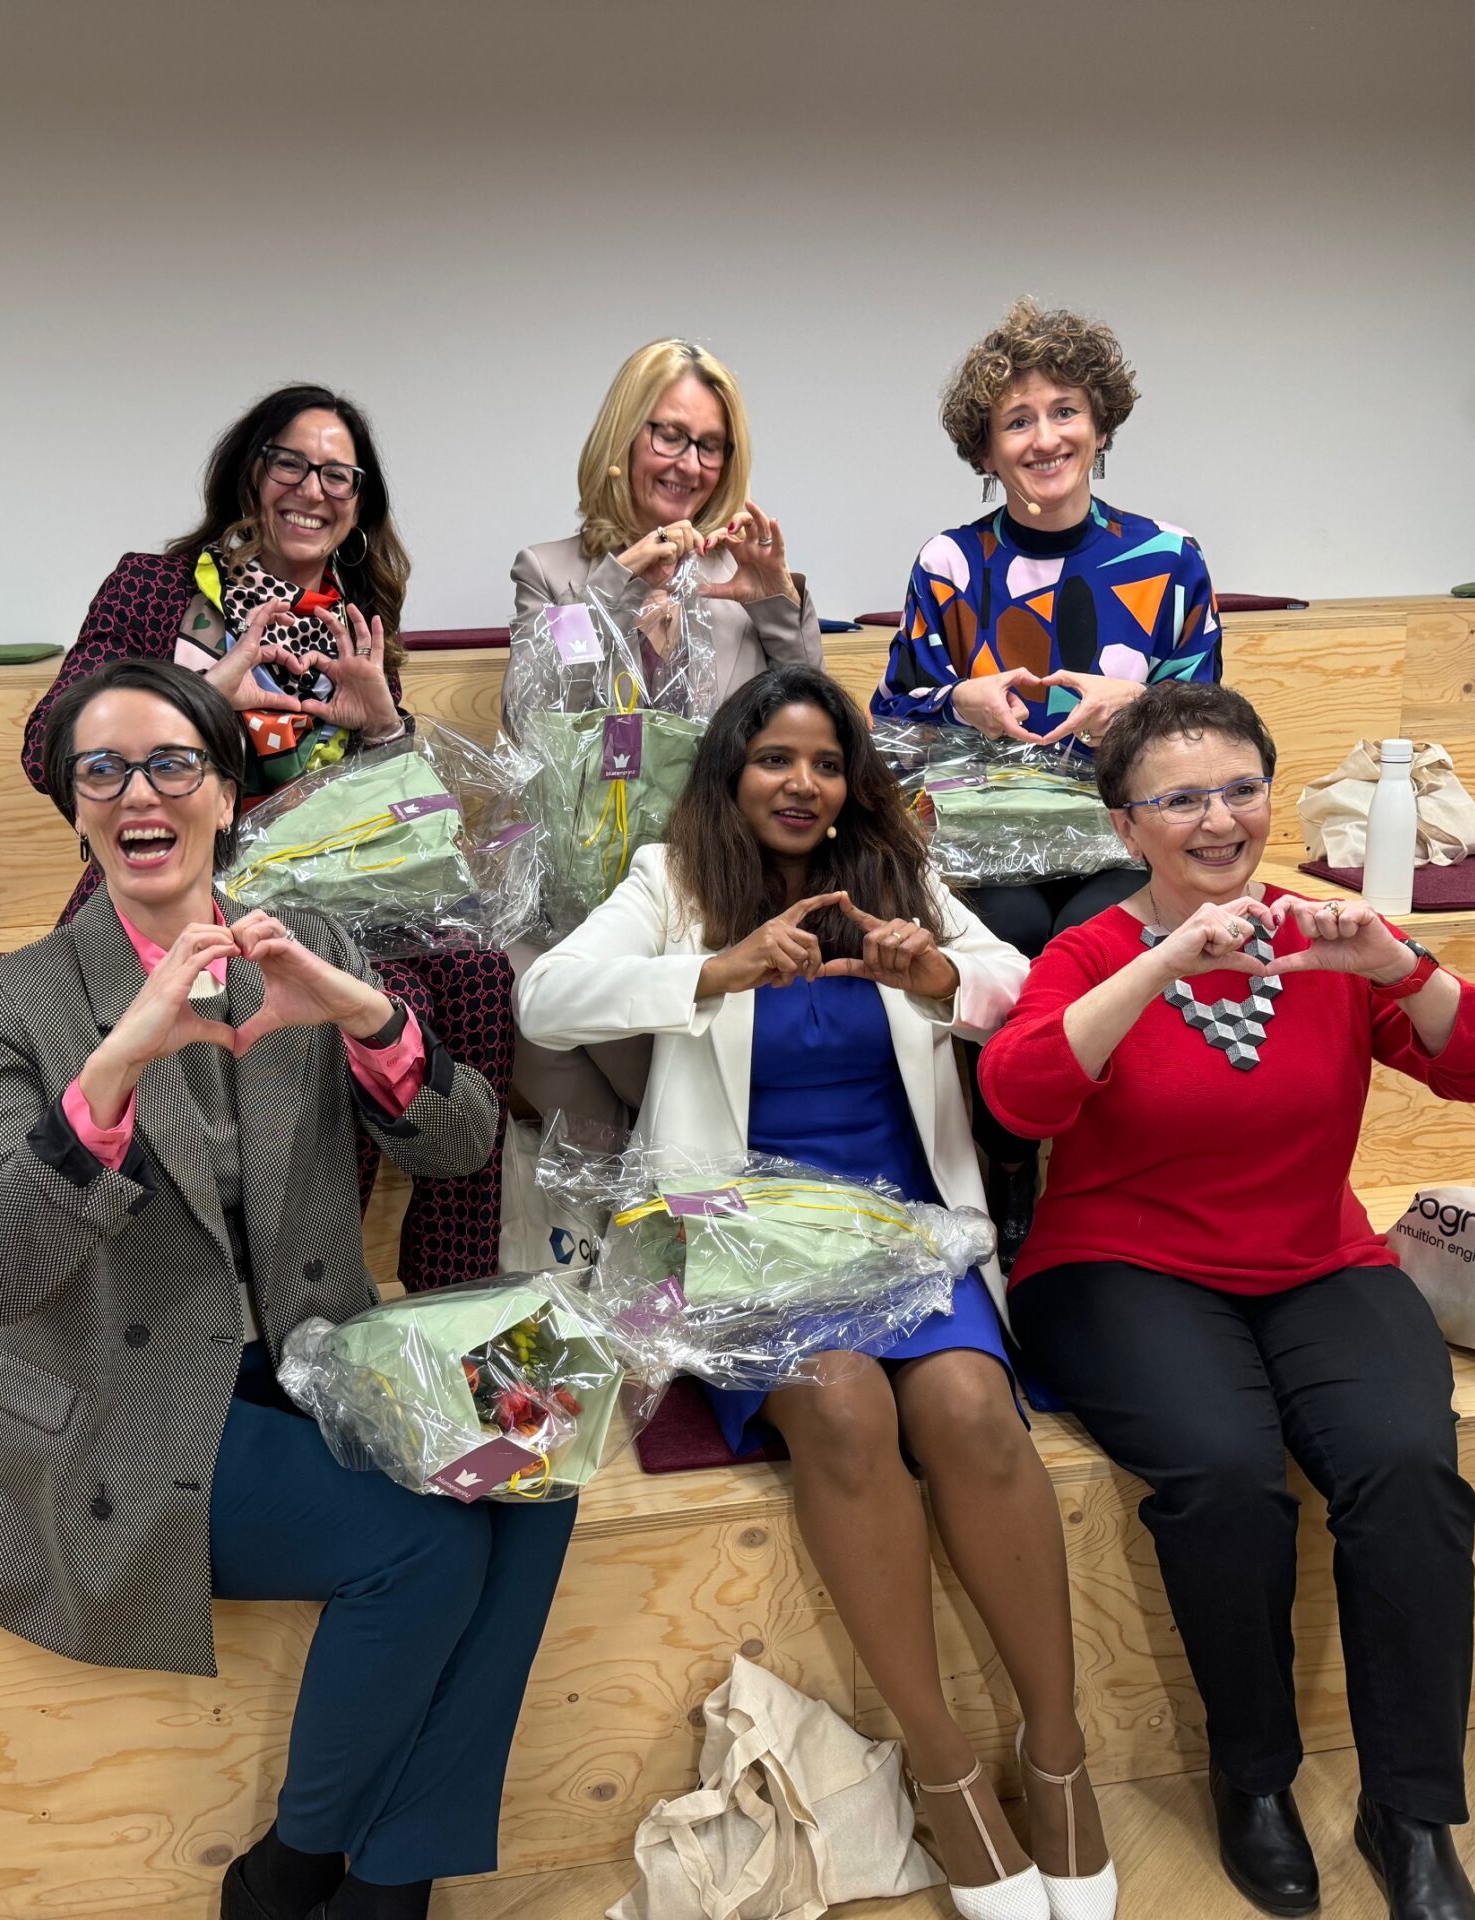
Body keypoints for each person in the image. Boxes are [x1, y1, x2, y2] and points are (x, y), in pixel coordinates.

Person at [0, 658, 557, 1920]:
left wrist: (372, 1020)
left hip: (316, 1364)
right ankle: (303, 1869)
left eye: (173, 763)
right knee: (421, 1543)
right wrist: (113, 1067)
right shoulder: (16, 1000)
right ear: (73, 808)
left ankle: (381, 1872)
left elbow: (459, 1143)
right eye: (100, 771)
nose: (137, 793)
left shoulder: (308, 941)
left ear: (225, 791)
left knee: (542, 1472)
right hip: (132, 1405)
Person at [519, 664, 1115, 1920]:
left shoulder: (900, 880)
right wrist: (715, 972)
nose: (801, 784)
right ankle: (944, 1772)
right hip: (748, 1241)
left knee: (963, 1409)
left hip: (911, 1234)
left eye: (826, 764)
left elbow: (1025, 988)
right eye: (774, 759)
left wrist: (941, 979)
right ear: (731, 772)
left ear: (855, 785)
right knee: (843, 1411)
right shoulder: (674, 887)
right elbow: (546, 999)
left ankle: (1054, 1752)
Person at [979, 681, 1475, 1920]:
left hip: (1315, 1259)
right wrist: (1164, 958)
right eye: (1178, 798)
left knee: (1405, 1466)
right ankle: (1254, 1779)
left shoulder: (1321, 940)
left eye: (1238, 788)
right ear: (1126, 826)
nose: (1216, 819)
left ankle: (1410, 1813)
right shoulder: (1087, 951)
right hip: (1117, 1265)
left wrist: (1397, 960)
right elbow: (1020, 1097)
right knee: (1224, 1474)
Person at [20, 384, 514, 1290]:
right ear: (250, 474)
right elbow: (45, 746)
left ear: (359, 504)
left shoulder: (351, 610)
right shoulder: (156, 587)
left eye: (338, 474)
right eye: (291, 463)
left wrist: (382, 732)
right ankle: (304, 1297)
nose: (312, 489)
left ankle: (454, 1293)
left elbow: (390, 815)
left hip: (337, 895)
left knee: (479, 972)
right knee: (357, 1002)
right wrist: (201, 703)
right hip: (181, 893)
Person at [870, 297, 1225, 1258]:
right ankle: (1008, 1159)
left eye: (1064, 411)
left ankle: (1102, 1174)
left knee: (1096, 937)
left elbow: (1211, 728)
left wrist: (1135, 703)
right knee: (1017, 940)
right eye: (1016, 421)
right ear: (985, 450)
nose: (1043, 438)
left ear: (1100, 425)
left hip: (1124, 830)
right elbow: (886, 716)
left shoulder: (1168, 557)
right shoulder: (951, 561)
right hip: (983, 842)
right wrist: (960, 702)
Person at [508, 339, 824, 1131]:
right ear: (623, 442)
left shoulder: (737, 576)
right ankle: (608, 1199)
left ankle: (679, 1157)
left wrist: (775, 601)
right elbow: (533, 720)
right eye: (668, 436)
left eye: (710, 445)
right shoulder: (553, 573)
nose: (689, 464)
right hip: (590, 880)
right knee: (533, 971)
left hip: (715, 869)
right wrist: (614, 589)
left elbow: (810, 719)